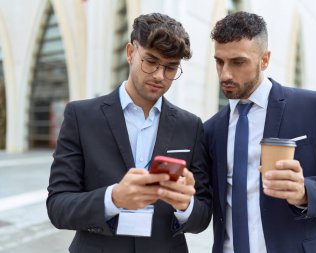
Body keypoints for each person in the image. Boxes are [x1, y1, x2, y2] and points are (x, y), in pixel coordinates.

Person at [46, 13, 212, 253]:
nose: (159, 75)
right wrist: (113, 199)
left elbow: (203, 215)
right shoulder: (80, 116)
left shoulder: (191, 126)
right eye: (150, 61)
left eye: (170, 68)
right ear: (130, 52)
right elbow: (58, 206)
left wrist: (186, 205)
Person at [204, 11, 316, 253]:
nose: (225, 74)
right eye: (219, 61)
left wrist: (305, 192)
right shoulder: (211, 129)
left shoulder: (315, 107)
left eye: (238, 62)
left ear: (265, 60)